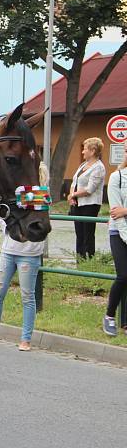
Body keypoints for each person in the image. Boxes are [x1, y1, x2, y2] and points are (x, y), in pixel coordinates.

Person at [0, 163, 50, 351]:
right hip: (9, 250)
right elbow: (4, 217)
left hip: (29, 253)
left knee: (27, 297)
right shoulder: (15, 195)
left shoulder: (41, 196)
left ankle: (25, 338)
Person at [104, 141, 127, 336]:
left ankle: (125, 322)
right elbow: (115, 213)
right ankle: (110, 316)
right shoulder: (116, 177)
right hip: (119, 233)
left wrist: (126, 210)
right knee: (123, 275)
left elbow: (122, 210)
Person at [68, 137, 105, 259]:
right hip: (77, 204)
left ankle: (88, 262)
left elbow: (90, 189)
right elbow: (74, 182)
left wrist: (74, 194)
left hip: (90, 205)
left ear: (93, 151)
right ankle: (79, 261)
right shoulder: (83, 165)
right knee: (79, 234)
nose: (83, 151)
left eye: (84, 149)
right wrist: (71, 195)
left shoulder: (99, 167)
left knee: (88, 235)